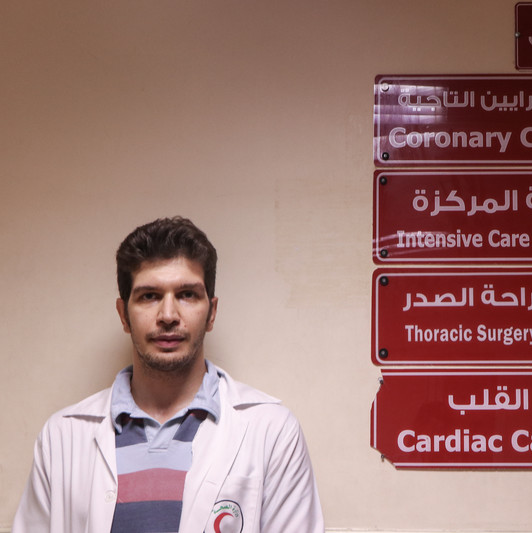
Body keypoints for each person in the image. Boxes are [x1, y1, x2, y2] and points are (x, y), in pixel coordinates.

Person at [13, 217, 324, 532]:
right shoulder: (62, 437)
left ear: (211, 313)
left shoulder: (272, 431)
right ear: (124, 315)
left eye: (187, 294)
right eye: (149, 296)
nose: (168, 315)